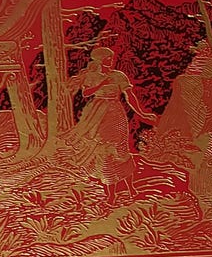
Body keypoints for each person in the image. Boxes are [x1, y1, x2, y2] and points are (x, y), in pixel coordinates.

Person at [65, 47, 157, 204]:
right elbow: (86, 93)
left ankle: (131, 188)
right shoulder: (92, 76)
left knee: (121, 150)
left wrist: (142, 113)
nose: (110, 61)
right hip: (97, 114)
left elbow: (129, 96)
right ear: (100, 60)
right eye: (107, 58)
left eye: (111, 57)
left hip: (115, 114)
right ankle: (111, 194)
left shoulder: (118, 76)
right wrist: (102, 82)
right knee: (105, 153)